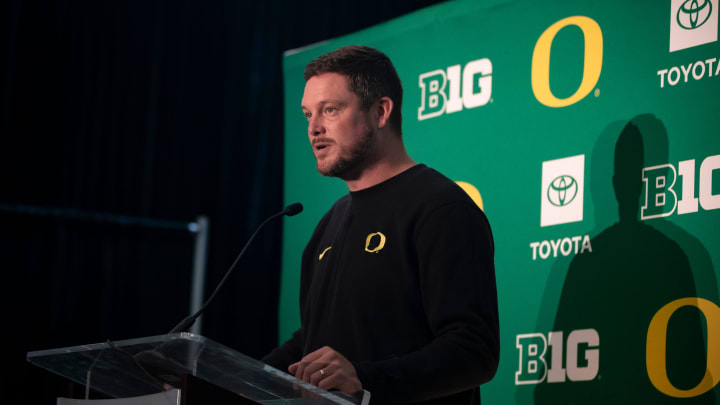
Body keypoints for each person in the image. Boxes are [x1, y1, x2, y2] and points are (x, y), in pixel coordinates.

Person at [263, 45, 499, 404]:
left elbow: (473, 351)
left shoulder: (441, 208)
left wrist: (365, 379)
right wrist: (227, 375)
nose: (313, 129)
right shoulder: (329, 224)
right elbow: (310, 342)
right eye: (308, 114)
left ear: (381, 111)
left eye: (330, 110)